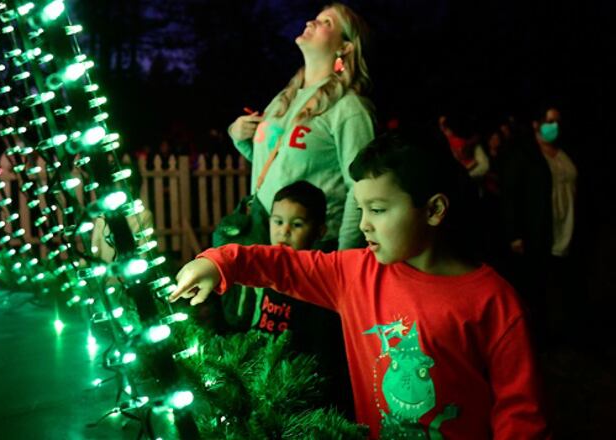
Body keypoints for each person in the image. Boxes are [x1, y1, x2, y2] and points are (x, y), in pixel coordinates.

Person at [170, 132, 549, 439]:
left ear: (433, 209)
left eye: (379, 210)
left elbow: (520, 415)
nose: (364, 224)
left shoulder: (494, 301)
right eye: (361, 208)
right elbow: (282, 264)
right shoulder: (354, 274)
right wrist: (218, 262)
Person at [226, 2, 375, 250]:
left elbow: (359, 187)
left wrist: (345, 256)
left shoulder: (350, 108)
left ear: (345, 47)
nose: (311, 23)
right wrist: (238, 136)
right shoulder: (284, 99)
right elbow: (280, 164)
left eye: (327, 23)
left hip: (312, 246)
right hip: (266, 234)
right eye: (315, 18)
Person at [222, 180, 354, 417]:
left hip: (299, 391)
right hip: (263, 380)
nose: (284, 231)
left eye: (297, 224)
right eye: (278, 221)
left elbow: (323, 348)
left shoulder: (318, 278)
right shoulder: (265, 270)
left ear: (319, 231)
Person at [501, 104, 578, 343]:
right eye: (549, 121)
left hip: (567, 226)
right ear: (536, 124)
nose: (554, 127)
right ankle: (539, 336)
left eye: (558, 122)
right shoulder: (526, 155)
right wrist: (514, 234)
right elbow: (511, 195)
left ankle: (567, 329)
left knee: (566, 282)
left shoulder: (565, 153)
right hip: (539, 231)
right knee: (538, 286)